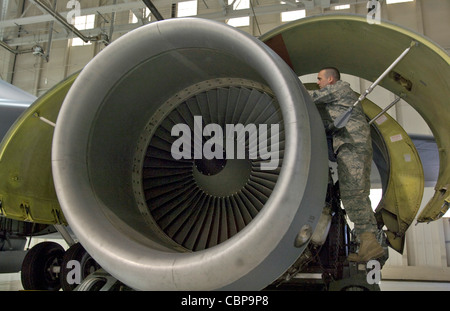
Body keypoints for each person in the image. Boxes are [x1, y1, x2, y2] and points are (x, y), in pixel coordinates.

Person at [308, 67, 384, 262]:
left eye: (319, 78)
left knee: (353, 193)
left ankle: (369, 242)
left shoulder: (338, 89)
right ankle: (369, 244)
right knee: (358, 193)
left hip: (352, 145)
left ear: (330, 79)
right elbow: (334, 125)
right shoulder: (341, 98)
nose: (318, 82)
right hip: (353, 145)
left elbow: (309, 97)